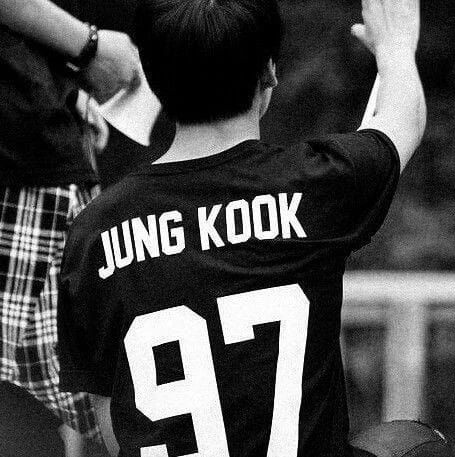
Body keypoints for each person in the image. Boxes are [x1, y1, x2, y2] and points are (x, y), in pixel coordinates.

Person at [57, 0, 426, 456]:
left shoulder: (94, 231)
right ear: (269, 73)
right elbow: (399, 123)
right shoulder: (314, 184)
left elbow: (111, 418)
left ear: (151, 78)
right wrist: (396, 47)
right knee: (412, 443)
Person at [0, 0, 140, 455]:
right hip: (24, 166)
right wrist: (91, 46)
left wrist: (61, 85)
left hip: (34, 146)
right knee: (108, 401)